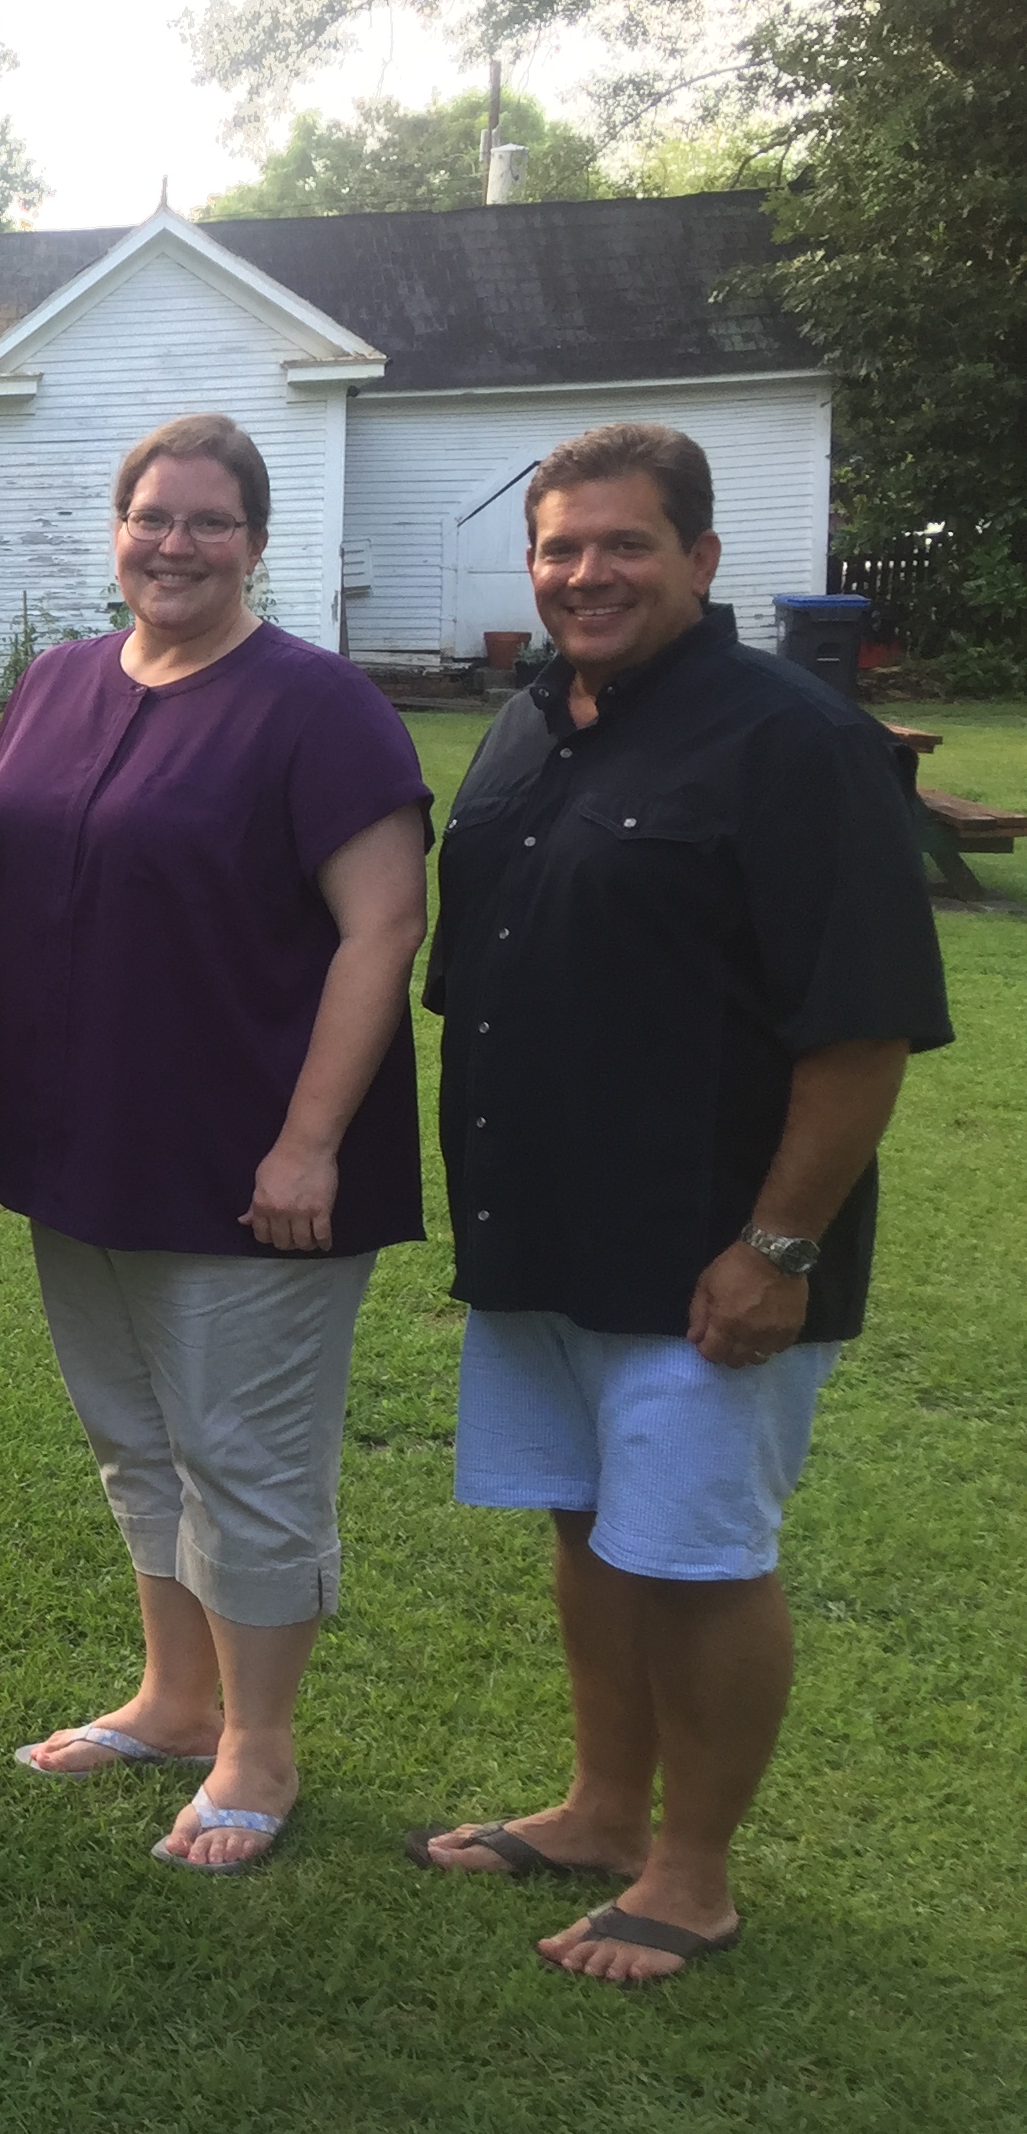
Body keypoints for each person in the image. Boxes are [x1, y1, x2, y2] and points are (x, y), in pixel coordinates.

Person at [405, 424, 949, 1983]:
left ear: (703, 561)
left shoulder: (795, 742)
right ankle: (597, 1809)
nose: (587, 575)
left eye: (623, 545)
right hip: (546, 1228)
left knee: (700, 1553)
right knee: (590, 1524)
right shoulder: (529, 726)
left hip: (713, 1239)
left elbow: (858, 1030)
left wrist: (776, 1247)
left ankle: (693, 1877)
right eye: (560, 548)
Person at [0, 413, 431, 1874]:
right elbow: (3, 884)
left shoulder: (319, 708)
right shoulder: (54, 683)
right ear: (117, 530)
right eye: (152, 516)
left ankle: (259, 1747)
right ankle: (173, 1700)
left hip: (247, 1167)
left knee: (244, 1458)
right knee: (134, 1442)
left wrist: (308, 1146)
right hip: (74, 1143)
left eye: (208, 522)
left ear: (256, 542)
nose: (175, 544)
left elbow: (383, 927)